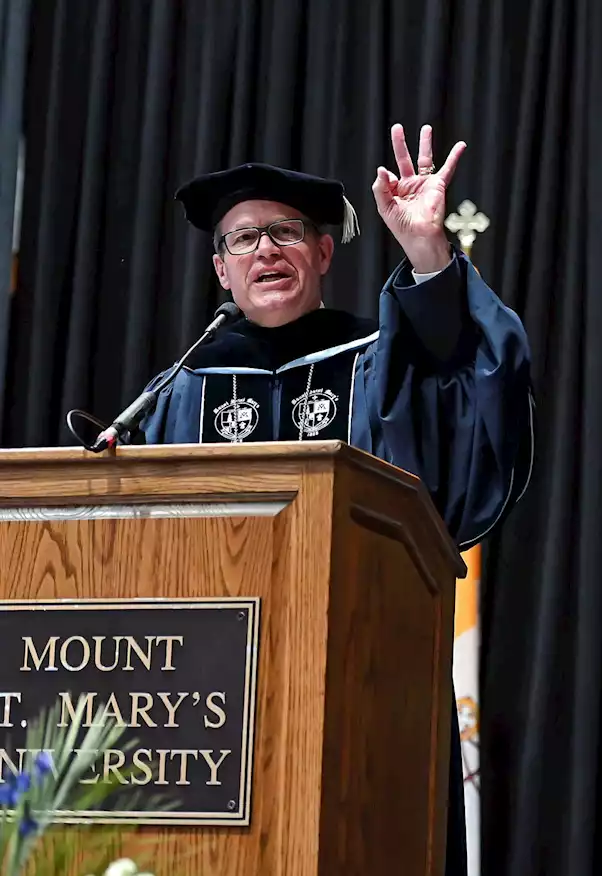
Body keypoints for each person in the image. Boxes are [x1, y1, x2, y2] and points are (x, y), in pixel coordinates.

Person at [139, 124, 533, 875]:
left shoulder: (383, 360)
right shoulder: (180, 390)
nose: (265, 250)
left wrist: (427, 254)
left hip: (364, 678)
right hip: (205, 708)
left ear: (323, 253)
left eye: (286, 231)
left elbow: (480, 391)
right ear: (221, 270)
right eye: (243, 239)